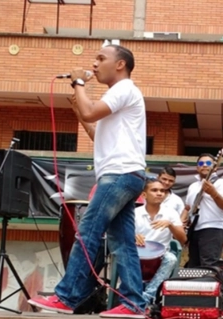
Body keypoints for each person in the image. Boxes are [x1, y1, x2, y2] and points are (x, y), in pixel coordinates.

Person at [28, 44, 149, 319]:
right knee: (122, 243)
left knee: (87, 234)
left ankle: (67, 296)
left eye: (101, 58)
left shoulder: (123, 88)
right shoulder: (119, 94)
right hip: (126, 174)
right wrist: (79, 107)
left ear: (120, 64)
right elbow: (96, 130)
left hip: (119, 174)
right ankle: (134, 304)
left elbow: (91, 111)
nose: (95, 64)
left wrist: (78, 82)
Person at [134, 179, 187, 305]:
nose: (159, 193)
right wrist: (133, 237)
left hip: (161, 255)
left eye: (162, 191)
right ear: (144, 195)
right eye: (154, 190)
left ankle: (146, 298)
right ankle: (134, 295)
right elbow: (122, 237)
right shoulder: (135, 213)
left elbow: (183, 240)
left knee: (171, 259)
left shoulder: (170, 213)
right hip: (137, 255)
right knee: (123, 255)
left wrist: (170, 225)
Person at [183, 153, 223, 267]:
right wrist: (182, 221)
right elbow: (188, 208)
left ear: (215, 167)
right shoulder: (192, 186)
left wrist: (214, 193)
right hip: (195, 229)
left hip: (213, 228)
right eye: (201, 163)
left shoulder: (221, 183)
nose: (204, 165)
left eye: (208, 163)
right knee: (193, 265)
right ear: (197, 168)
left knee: (208, 265)